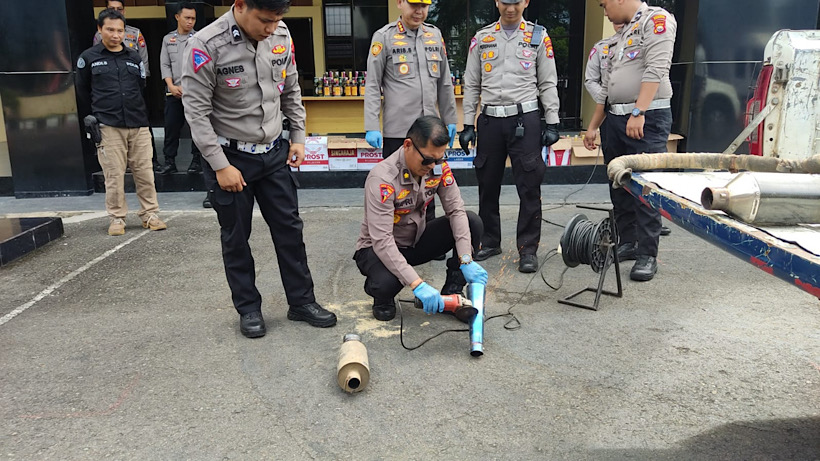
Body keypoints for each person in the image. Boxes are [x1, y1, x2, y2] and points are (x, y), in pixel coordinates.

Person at [181, 0, 336, 338]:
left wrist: (297, 136)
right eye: (265, 20)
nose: (270, 29)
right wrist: (220, 166)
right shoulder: (206, 45)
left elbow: (291, 87)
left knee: (290, 231)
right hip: (230, 157)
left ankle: (301, 301)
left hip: (275, 153)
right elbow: (196, 113)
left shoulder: (280, 33)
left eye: (276, 21)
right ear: (240, 6)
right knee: (237, 237)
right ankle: (249, 308)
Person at [459, 0, 560, 274]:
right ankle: (490, 240)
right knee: (487, 183)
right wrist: (467, 122)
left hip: (524, 119)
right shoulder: (482, 38)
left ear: (526, 2)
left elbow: (547, 81)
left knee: (529, 185)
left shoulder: (538, 36)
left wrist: (552, 120)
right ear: (496, 2)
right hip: (490, 120)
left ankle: (528, 249)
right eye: (505, 2)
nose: (511, 8)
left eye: (516, 2)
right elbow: (472, 83)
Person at [355, 116, 488, 321]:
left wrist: (466, 259)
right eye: (427, 159)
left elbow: (455, 211)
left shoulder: (437, 167)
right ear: (408, 145)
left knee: (471, 221)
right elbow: (382, 240)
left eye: (439, 159)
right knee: (386, 283)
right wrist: (417, 284)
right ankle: (382, 297)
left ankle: (452, 292)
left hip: (415, 241)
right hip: (378, 249)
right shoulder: (382, 179)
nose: (433, 165)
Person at [583, 0, 677, 282]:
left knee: (647, 186)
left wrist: (639, 111)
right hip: (615, 118)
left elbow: (656, 68)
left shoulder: (656, 20)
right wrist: (593, 126)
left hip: (645, 117)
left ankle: (648, 254)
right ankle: (628, 242)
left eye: (604, 4)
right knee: (619, 183)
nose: (604, 10)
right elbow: (608, 87)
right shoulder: (620, 36)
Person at [364, 0, 458, 226]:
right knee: (394, 185)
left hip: (430, 129)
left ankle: (428, 233)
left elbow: (445, 83)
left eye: (424, 6)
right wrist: (371, 125)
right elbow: (373, 84)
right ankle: (394, 235)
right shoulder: (384, 37)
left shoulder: (434, 36)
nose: (419, 11)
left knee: (431, 182)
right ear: (400, 3)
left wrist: (450, 119)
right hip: (399, 129)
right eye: (414, 5)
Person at [77, 9, 167, 236]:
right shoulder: (88, 58)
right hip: (108, 125)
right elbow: (82, 91)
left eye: (119, 30)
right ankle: (117, 218)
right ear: (100, 29)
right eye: (110, 29)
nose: (115, 35)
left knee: (145, 172)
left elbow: (140, 87)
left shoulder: (134, 57)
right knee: (114, 175)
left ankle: (150, 214)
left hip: (137, 123)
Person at [93, 0, 160, 171]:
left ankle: (152, 160)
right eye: (112, 9)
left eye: (119, 9)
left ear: (125, 10)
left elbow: (143, 62)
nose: (116, 11)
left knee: (142, 127)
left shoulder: (135, 33)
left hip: (133, 88)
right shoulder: (98, 36)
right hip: (110, 93)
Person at [157, 2, 202, 176]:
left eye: (193, 19)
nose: (190, 22)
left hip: (194, 93)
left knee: (197, 128)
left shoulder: (199, 39)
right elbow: (165, 64)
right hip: (172, 91)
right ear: (177, 17)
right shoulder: (168, 40)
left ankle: (196, 161)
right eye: (187, 18)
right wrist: (170, 85)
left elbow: (202, 65)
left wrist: (188, 87)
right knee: (171, 127)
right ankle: (169, 161)